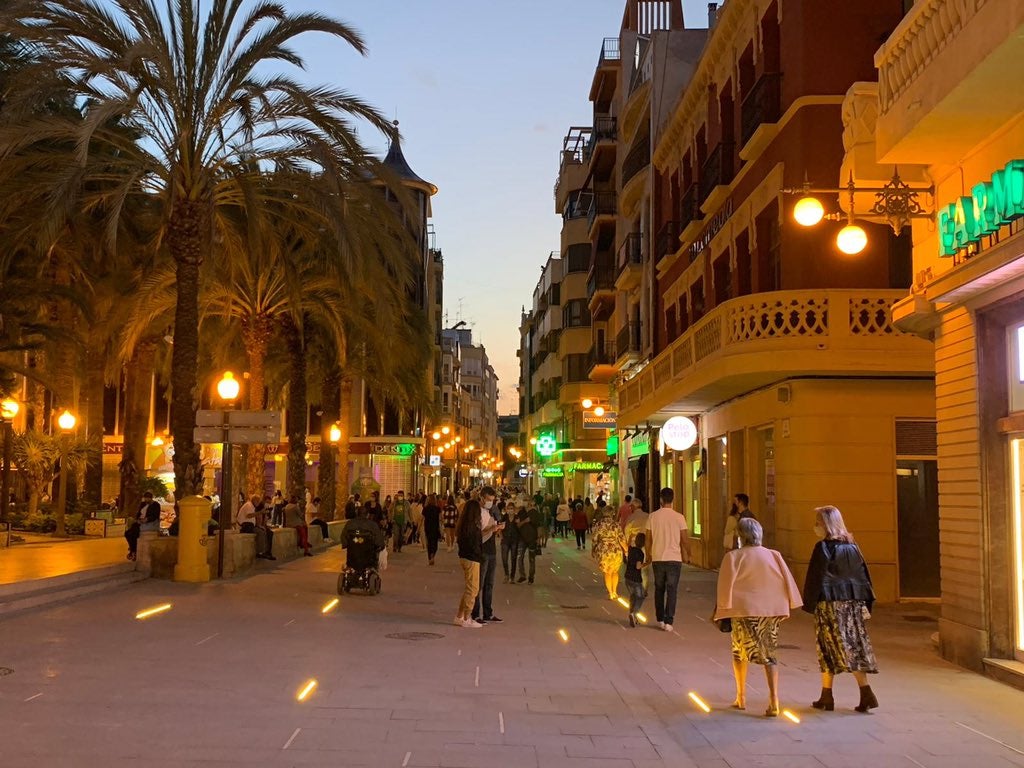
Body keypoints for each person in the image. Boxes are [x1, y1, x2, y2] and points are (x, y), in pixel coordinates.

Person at [714, 518, 803, 717]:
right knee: (769, 654)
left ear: (740, 536)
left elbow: (725, 586)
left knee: (739, 652)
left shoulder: (734, 557)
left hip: (743, 611)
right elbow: (786, 581)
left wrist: (721, 611)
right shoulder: (774, 555)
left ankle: (741, 697)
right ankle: (774, 701)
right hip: (769, 612)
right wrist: (788, 604)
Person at [802, 505, 879, 714]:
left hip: (829, 604)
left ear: (826, 524)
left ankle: (837, 694)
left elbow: (815, 577)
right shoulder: (852, 546)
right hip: (852, 603)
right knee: (852, 646)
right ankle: (855, 693)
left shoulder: (823, 547)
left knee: (828, 647)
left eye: (818, 522)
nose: (815, 526)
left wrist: (808, 603)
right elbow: (864, 576)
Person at [644, 487, 690, 632]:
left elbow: (648, 538)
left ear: (661, 500)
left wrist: (649, 554)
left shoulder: (653, 516)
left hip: (658, 558)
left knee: (659, 589)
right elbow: (684, 539)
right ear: (672, 499)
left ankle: (660, 619)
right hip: (674, 559)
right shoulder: (679, 517)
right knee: (672, 590)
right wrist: (688, 553)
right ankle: (669, 621)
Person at [471, 486, 502, 624]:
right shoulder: (477, 512)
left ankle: (488, 613)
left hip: (492, 551)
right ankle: (475, 613)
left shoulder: (491, 512)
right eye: (489, 499)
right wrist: (492, 528)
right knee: (479, 584)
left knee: (490, 583)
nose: (491, 502)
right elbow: (477, 534)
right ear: (482, 497)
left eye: (493, 500)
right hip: (482, 551)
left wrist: (498, 528)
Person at [454, 498, 485, 628]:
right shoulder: (473, 527)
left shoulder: (463, 525)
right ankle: (467, 617)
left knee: (468, 588)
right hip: (472, 559)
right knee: (473, 589)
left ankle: (459, 616)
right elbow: (475, 545)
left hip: (464, 557)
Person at [591, 508, 627, 600]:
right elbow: (621, 538)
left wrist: (593, 549)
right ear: (612, 514)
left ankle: (610, 593)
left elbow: (595, 538)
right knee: (615, 571)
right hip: (615, 550)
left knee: (607, 572)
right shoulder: (616, 524)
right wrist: (626, 550)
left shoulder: (598, 524)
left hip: (604, 550)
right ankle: (615, 591)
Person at [124, 491, 161, 561]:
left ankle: (133, 551)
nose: (146, 500)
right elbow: (138, 513)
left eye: (148, 498)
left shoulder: (156, 505)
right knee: (127, 533)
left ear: (151, 498)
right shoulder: (143, 504)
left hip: (149, 523)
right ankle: (133, 549)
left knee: (134, 532)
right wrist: (138, 519)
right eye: (145, 498)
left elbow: (155, 516)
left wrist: (146, 519)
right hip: (140, 522)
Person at [237, 494, 275, 560]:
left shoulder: (252, 506)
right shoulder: (249, 505)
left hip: (250, 525)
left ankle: (266, 552)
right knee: (261, 532)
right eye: (258, 501)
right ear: (254, 500)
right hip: (245, 526)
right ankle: (260, 552)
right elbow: (249, 515)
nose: (258, 502)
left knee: (266, 532)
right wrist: (260, 512)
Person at [624, 532, 648, 627]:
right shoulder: (640, 553)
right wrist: (647, 563)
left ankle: (632, 615)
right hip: (636, 579)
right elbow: (638, 567)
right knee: (640, 596)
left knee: (633, 596)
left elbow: (627, 544)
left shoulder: (631, 549)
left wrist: (630, 536)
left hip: (627, 578)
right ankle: (634, 613)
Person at [514, 501, 541, 584]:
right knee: (519, 558)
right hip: (522, 539)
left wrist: (538, 539)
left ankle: (531, 577)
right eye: (530, 504)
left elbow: (538, 526)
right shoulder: (521, 513)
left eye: (532, 505)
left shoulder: (535, 513)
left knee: (532, 559)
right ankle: (522, 575)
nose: (531, 506)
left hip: (532, 539)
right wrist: (525, 521)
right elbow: (517, 525)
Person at [499, 501, 520, 583]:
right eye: (509, 509)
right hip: (505, 540)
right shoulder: (504, 517)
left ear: (514, 509)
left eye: (512, 509)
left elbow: (519, 528)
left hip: (514, 540)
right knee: (504, 558)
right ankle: (506, 574)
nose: (510, 510)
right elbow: (500, 526)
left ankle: (512, 577)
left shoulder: (516, 517)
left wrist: (518, 523)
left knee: (513, 558)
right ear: (506, 509)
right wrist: (501, 535)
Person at [422, 493, 442, 565]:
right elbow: (440, 519)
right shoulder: (437, 509)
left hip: (427, 527)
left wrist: (420, 528)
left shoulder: (425, 508)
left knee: (429, 543)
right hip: (435, 527)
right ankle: (433, 555)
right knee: (435, 543)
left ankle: (429, 557)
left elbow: (423, 518)